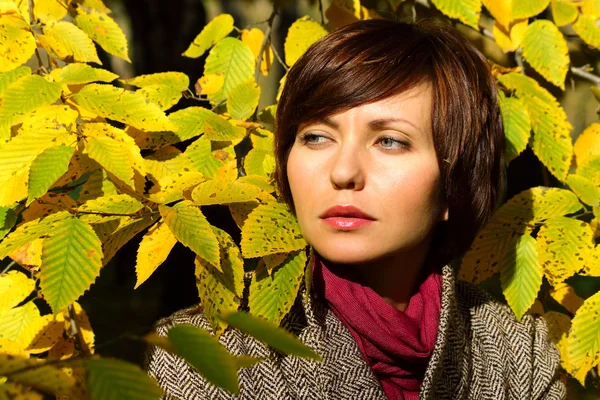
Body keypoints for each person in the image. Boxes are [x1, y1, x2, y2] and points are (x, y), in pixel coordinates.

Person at [145, 19, 566, 399]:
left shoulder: (521, 358)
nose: (343, 171)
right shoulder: (204, 353)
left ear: (455, 183)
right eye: (316, 137)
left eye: (390, 141)